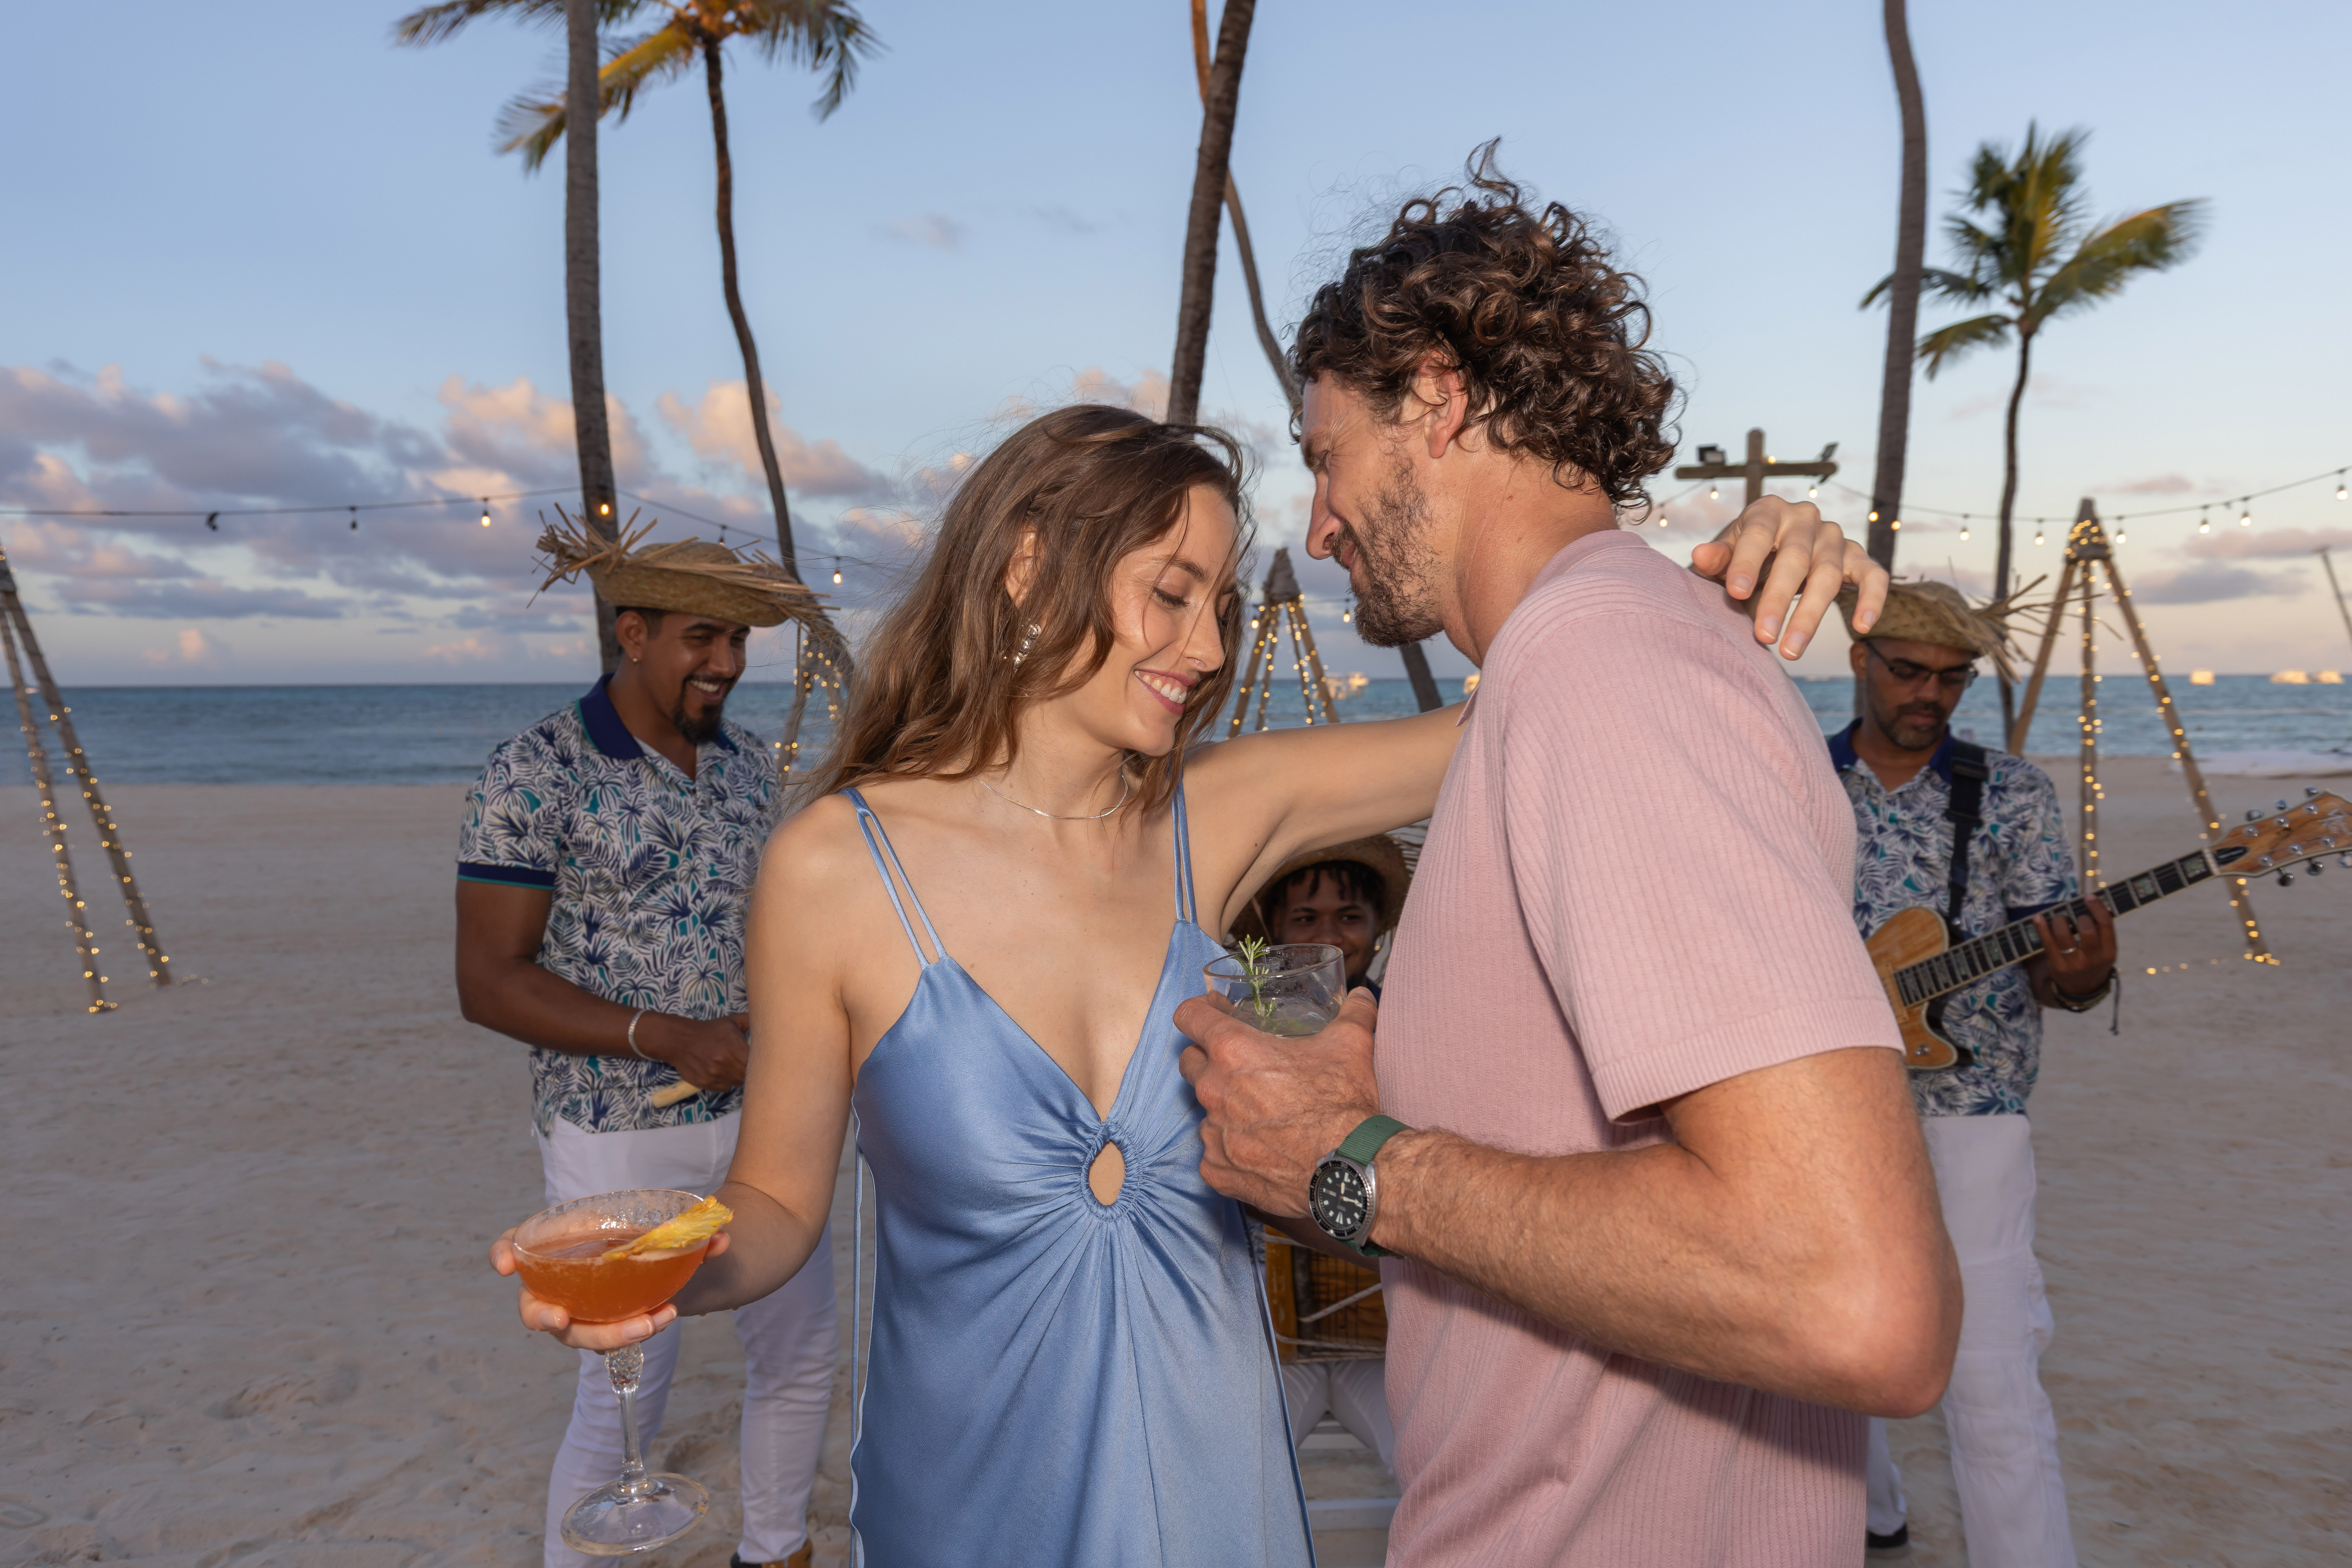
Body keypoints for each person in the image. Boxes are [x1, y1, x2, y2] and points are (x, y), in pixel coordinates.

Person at [490, 401, 1881, 1565]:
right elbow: (783, 1201)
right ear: (1028, 566)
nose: (1208, 648)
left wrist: (1712, 573)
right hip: (973, 1491)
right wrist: (662, 1268)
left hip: (1217, 1488)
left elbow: (1545, 690)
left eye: (1216, 601)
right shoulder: (833, 867)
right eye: (1170, 592)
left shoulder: (1221, 815)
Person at [1176, 148, 1964, 1567]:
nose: (1320, 519)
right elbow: (1577, 1181)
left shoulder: (1604, 674)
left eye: (1323, 455)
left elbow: (1853, 1293)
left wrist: (1350, 1159)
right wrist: (1383, 1124)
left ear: (1436, 394)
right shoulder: (1583, 668)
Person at [455, 530, 839, 1568]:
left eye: (740, 642)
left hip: (762, 1122)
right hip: (616, 1138)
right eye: (701, 638)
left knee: (800, 1353)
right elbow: (487, 981)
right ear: (633, 633)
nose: (724, 663)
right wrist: (662, 1034)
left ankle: (777, 1552)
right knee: (629, 1379)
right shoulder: (533, 771)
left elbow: (768, 927)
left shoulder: (750, 768)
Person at [1830, 581, 2115, 1566]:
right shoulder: (1795, 780)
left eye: (1953, 679)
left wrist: (2084, 975)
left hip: (1975, 1105)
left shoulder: (2010, 793)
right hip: (1827, 1105)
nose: (1931, 696)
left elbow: (2057, 969)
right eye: (1910, 671)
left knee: (1991, 1372)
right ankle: (1871, 1514)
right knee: (1825, 1331)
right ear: (1860, 657)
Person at [1237, 835, 1414, 1463]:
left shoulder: (1411, 1027)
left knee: (1426, 1470)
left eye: (1350, 917)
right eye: (1307, 919)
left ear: (1380, 927)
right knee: (1241, 1480)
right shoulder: (1245, 1033)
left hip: (1390, 1335)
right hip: (1272, 1338)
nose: (1332, 935)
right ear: (1272, 928)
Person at [1230, 832, 1410, 996]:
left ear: (1376, 921)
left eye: (1349, 917)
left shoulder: (1419, 1026)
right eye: (1306, 919)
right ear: (1277, 925)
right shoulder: (1235, 1021)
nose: (1329, 939)